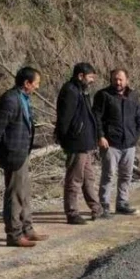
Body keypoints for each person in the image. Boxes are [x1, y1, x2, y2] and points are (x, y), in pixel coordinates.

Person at [0, 67, 47, 248]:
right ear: (27, 83)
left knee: (24, 194)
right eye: (36, 83)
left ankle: (27, 229)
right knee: (14, 196)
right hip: (13, 154)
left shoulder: (23, 98)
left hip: (22, 152)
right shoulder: (10, 100)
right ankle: (14, 234)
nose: (37, 87)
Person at [55, 62, 102, 224]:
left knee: (89, 177)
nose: (92, 81)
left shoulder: (81, 91)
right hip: (77, 143)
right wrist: (66, 141)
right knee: (74, 179)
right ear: (80, 76)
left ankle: (96, 208)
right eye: (90, 77)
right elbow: (64, 120)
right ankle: (72, 212)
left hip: (86, 143)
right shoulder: (70, 91)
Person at [93, 69, 140, 216]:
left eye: (121, 79)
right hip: (110, 143)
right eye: (115, 79)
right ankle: (104, 206)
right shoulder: (103, 95)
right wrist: (100, 136)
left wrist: (136, 135)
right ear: (111, 79)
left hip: (129, 143)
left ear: (127, 80)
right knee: (108, 175)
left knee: (126, 175)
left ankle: (122, 203)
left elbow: (139, 117)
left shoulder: (133, 96)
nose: (118, 82)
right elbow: (96, 118)